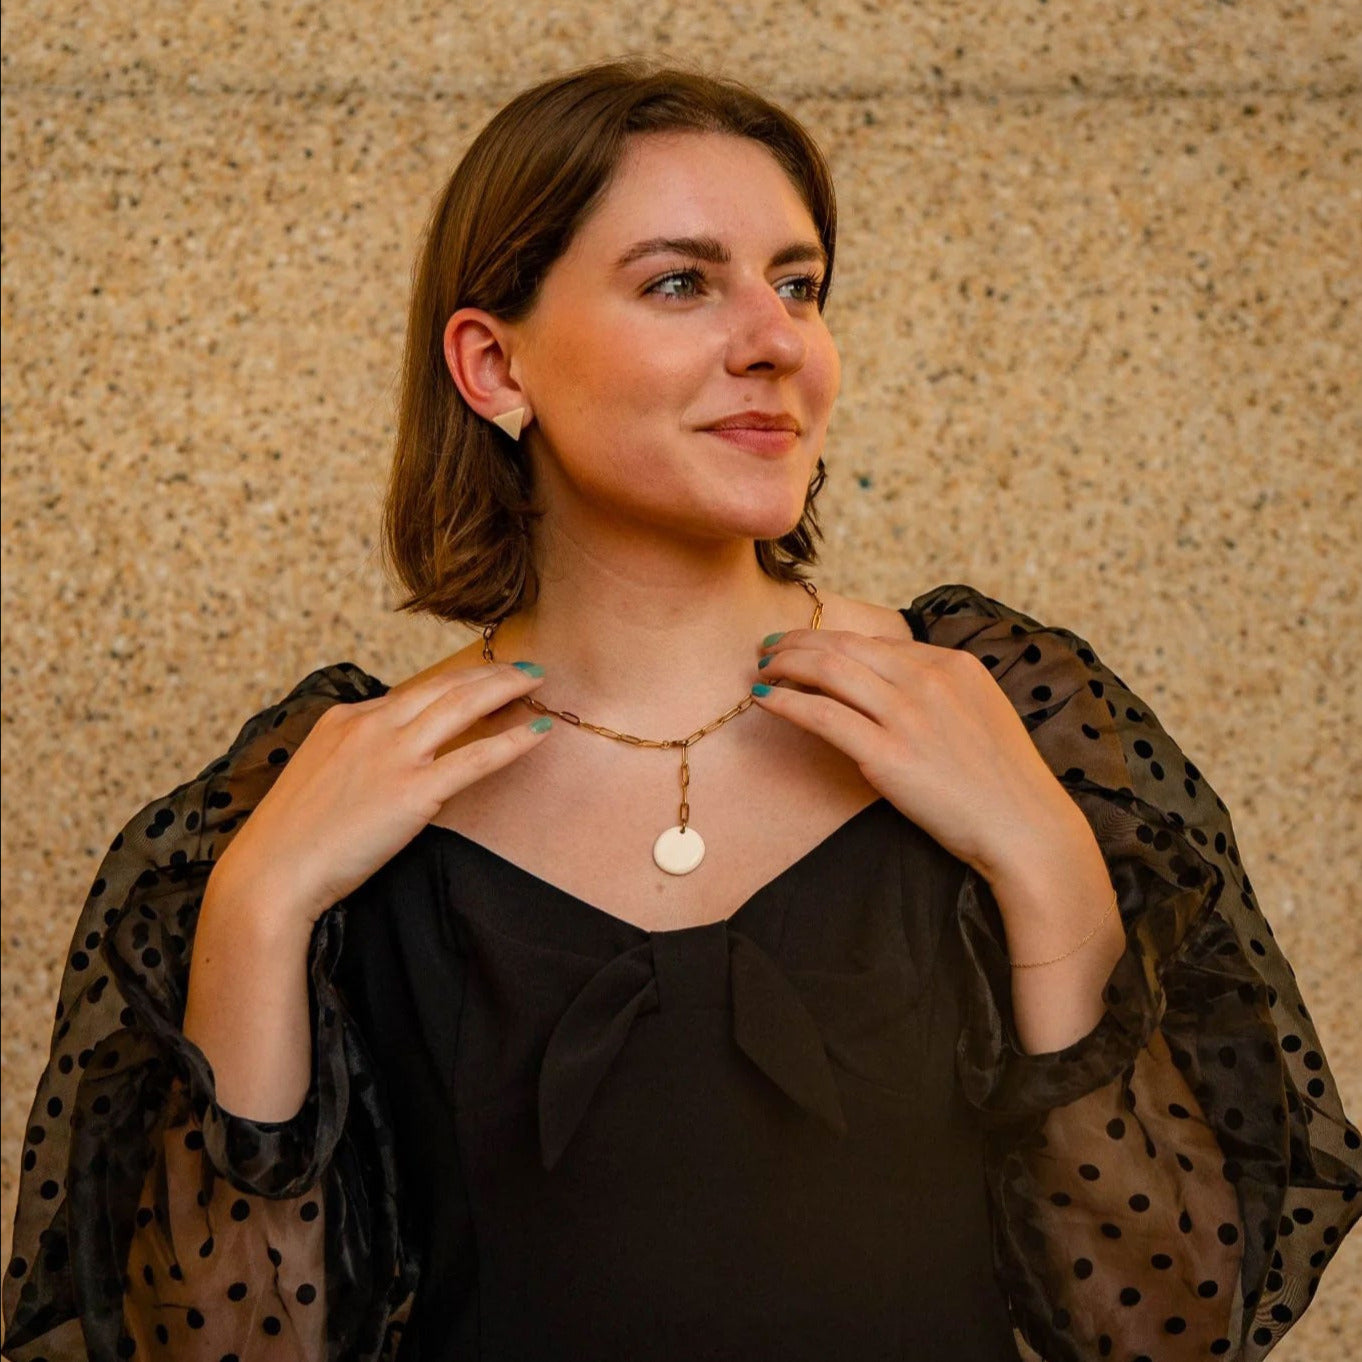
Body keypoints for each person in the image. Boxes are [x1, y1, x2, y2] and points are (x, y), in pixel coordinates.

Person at [3, 56, 1358, 1362]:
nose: (775, 342)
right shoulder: (316, 802)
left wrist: (1043, 860)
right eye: (678, 283)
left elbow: (1164, 1329)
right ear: (494, 367)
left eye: (798, 285)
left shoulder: (1009, 717)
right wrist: (256, 912)